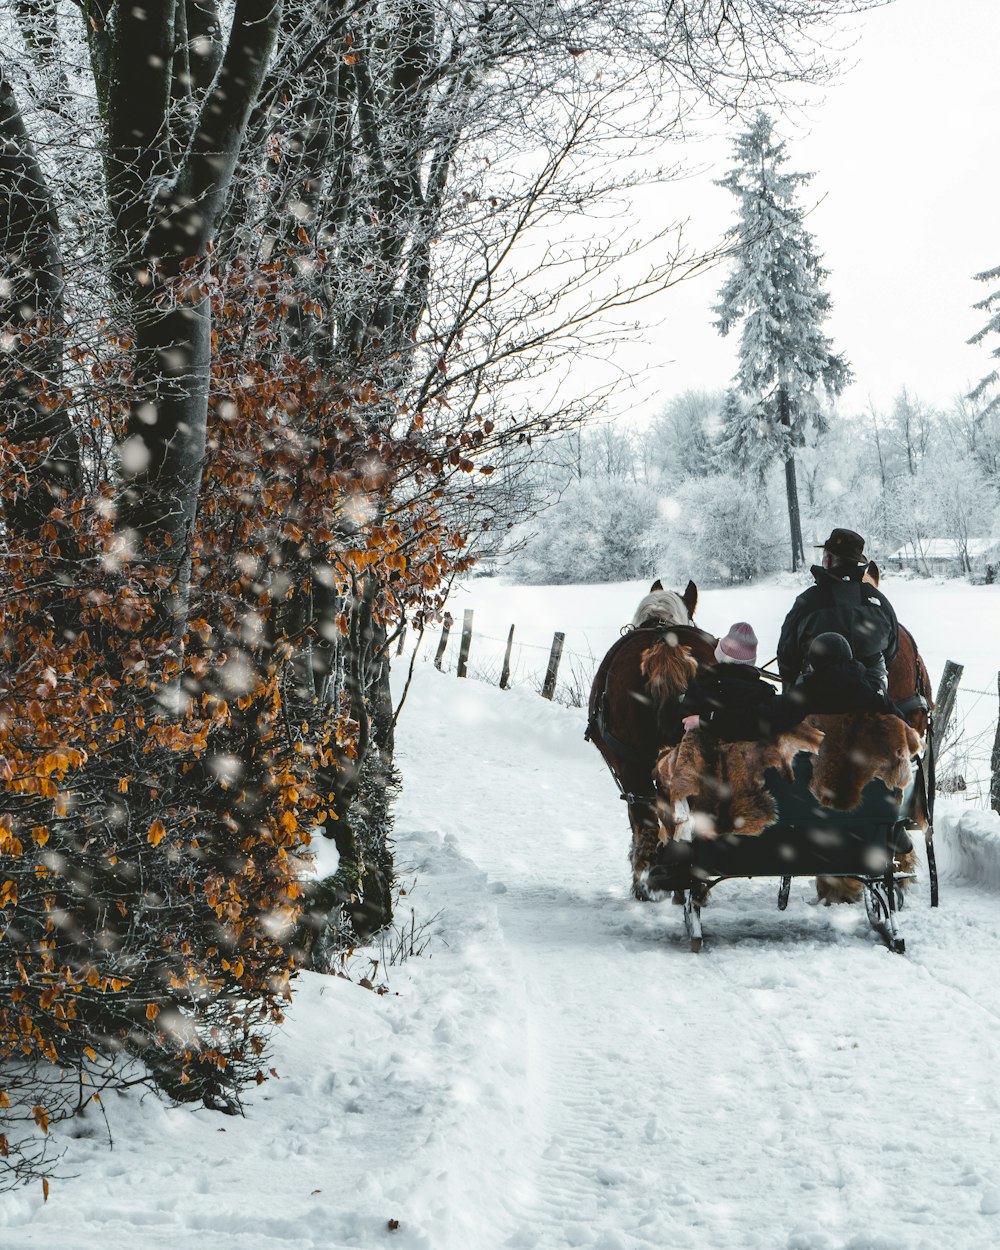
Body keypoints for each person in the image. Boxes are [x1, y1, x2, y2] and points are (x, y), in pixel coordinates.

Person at [686, 632, 905, 742]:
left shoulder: (804, 698)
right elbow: (902, 725)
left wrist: (707, 721)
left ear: (813, 664)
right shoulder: (873, 693)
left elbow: (754, 721)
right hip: (866, 774)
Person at [776, 527, 898, 694]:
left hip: (816, 696)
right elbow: (891, 650)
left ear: (827, 559)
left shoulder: (808, 602)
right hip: (870, 695)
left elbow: (787, 655)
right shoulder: (880, 602)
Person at [680, 622, 779, 734]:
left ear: (719, 655)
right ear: (751, 661)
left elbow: (681, 722)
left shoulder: (701, 685)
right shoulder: (763, 692)